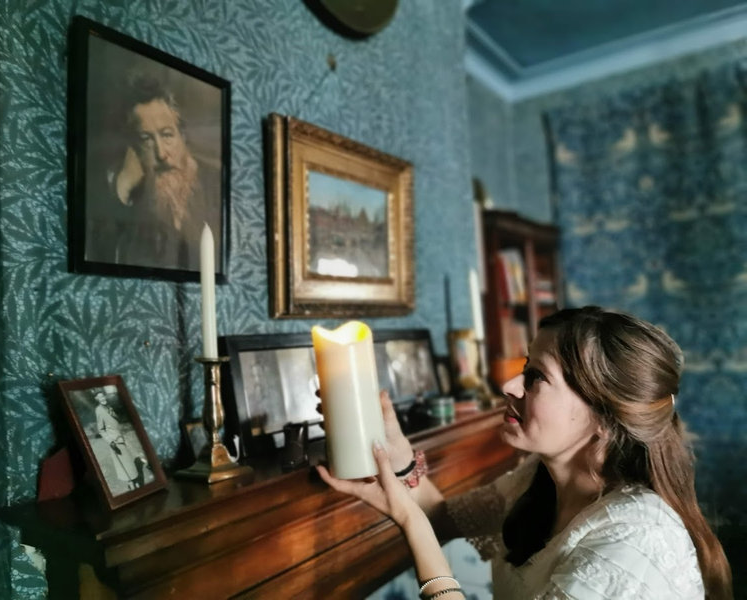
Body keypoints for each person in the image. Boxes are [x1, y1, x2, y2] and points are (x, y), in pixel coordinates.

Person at [317, 306, 733, 599]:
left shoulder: (634, 539)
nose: (509, 386)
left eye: (535, 376)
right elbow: (444, 518)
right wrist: (400, 456)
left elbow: (424, 521)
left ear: (604, 417)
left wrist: (408, 518)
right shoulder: (538, 478)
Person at [87, 72, 221, 271]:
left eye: (167, 135)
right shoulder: (116, 188)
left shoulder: (214, 182)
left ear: (183, 136)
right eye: (146, 139)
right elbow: (102, 257)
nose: (161, 153)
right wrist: (123, 185)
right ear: (132, 147)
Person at [94, 390, 145, 491]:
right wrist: (110, 441)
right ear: (97, 399)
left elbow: (115, 420)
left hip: (120, 437)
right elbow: (101, 430)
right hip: (114, 441)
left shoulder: (108, 407)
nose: (103, 399)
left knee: (128, 461)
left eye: (103, 396)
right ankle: (131, 483)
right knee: (124, 463)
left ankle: (133, 480)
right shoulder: (99, 410)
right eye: (100, 398)